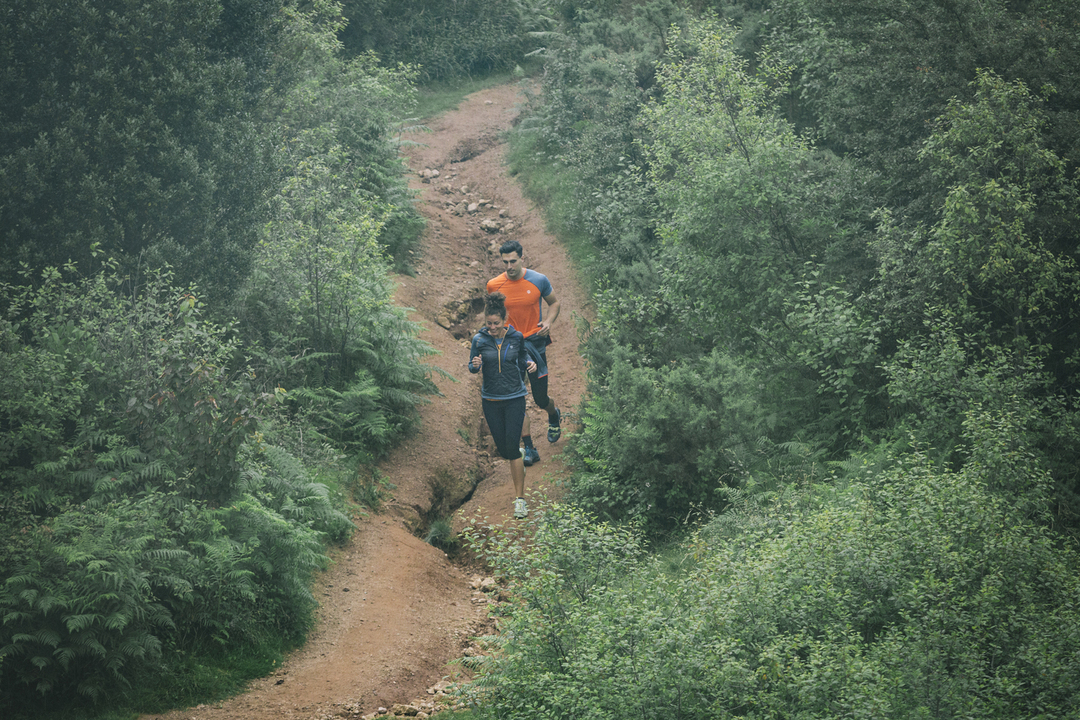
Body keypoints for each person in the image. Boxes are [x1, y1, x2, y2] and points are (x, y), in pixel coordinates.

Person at [486, 240, 562, 468]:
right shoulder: (494, 285)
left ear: (521, 258)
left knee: (539, 399)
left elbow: (554, 303)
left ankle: (553, 413)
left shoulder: (538, 280)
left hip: (534, 342)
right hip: (509, 347)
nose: (509, 266)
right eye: (505, 262)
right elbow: (491, 315)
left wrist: (548, 321)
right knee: (516, 398)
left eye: (513, 261)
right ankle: (529, 446)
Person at [469, 292, 537, 519]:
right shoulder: (479, 340)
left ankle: (520, 500)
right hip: (490, 400)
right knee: (506, 450)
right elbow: (472, 366)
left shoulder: (516, 337)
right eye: (488, 323)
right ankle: (516, 454)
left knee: (511, 450)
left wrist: (529, 364)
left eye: (496, 323)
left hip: (515, 398)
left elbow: (523, 359)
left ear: (504, 321)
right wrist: (475, 365)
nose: (492, 327)